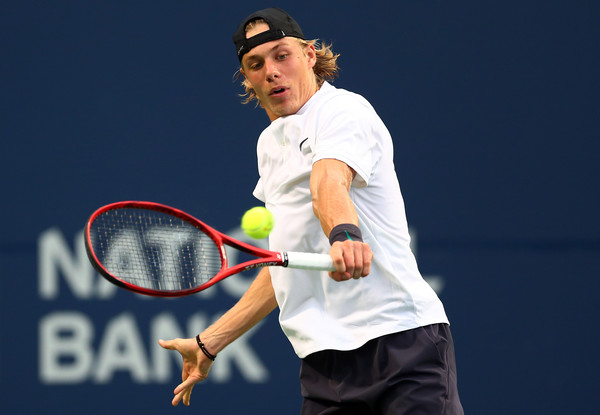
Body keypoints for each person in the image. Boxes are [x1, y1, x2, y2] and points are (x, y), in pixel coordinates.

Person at [159, 7, 463, 414]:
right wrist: (211, 342)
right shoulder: (268, 145)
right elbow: (287, 261)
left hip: (400, 342)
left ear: (310, 54)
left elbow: (328, 183)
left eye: (281, 54)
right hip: (324, 364)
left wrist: (345, 235)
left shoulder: (345, 111)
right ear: (247, 79)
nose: (271, 71)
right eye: (256, 64)